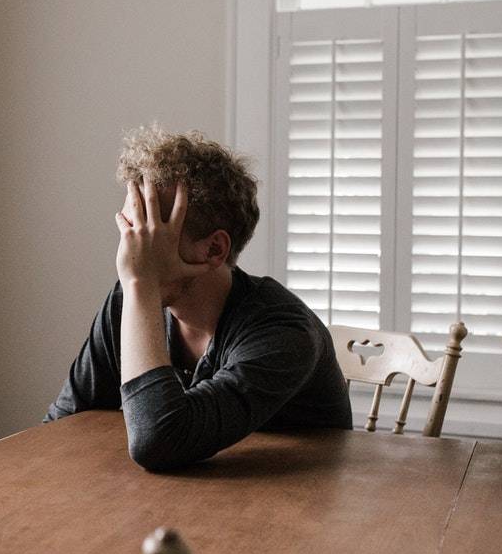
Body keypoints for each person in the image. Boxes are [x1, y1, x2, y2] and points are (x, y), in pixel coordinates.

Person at [47, 125, 353, 470]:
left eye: (150, 233)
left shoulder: (283, 331)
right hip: (183, 501)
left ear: (214, 248)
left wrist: (141, 285)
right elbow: (61, 426)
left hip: (299, 507)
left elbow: (159, 442)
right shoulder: (129, 301)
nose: (129, 251)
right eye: (129, 230)